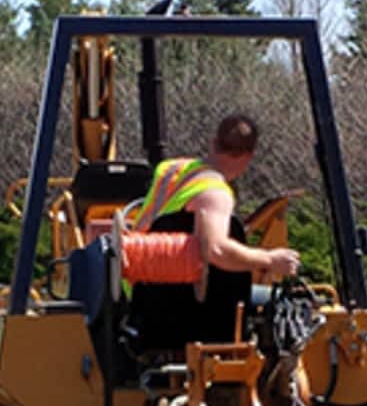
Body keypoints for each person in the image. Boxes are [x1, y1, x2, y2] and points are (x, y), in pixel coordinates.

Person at [129, 113, 301, 282]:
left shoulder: (170, 168)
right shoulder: (215, 195)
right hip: (155, 290)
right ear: (249, 156)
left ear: (214, 143)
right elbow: (216, 250)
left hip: (129, 271)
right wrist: (270, 259)